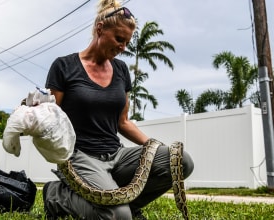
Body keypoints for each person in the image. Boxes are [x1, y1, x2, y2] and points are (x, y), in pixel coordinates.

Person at [43, 0, 194, 219]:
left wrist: (155, 149)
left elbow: (123, 122)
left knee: (180, 161)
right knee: (119, 217)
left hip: (116, 154)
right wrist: (32, 112)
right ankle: (56, 195)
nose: (123, 47)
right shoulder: (64, 66)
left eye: (127, 42)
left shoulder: (121, 70)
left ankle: (127, 205)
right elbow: (51, 116)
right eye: (119, 39)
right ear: (100, 29)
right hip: (80, 156)